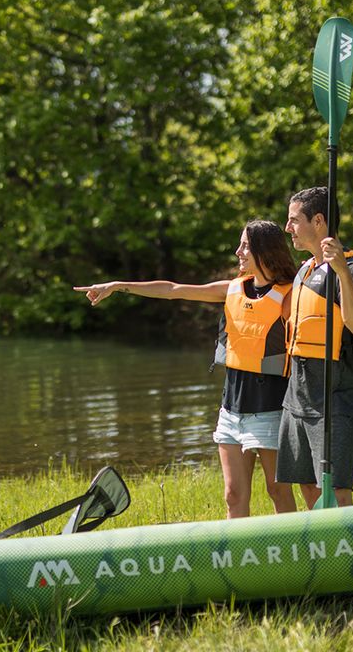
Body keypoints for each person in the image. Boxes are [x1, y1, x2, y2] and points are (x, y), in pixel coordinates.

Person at [74, 220, 298, 519]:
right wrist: (117, 286)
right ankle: (236, 560)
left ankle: (292, 555)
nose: (238, 251)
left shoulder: (289, 296)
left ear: (264, 250)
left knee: (278, 491)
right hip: (231, 410)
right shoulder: (231, 289)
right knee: (233, 496)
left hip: (270, 409)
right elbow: (173, 289)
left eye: (245, 245)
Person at [278, 187, 353, 509]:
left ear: (319, 221)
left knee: (335, 492)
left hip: (335, 394)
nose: (288, 228)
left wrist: (340, 272)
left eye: (294, 220)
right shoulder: (305, 270)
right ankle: (323, 554)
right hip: (299, 393)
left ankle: (349, 556)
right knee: (308, 485)